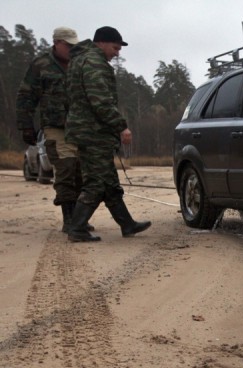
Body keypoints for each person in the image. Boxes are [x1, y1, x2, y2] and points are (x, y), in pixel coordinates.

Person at [65, 26, 150, 242]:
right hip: (93, 133)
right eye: (115, 48)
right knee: (95, 182)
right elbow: (100, 101)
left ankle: (127, 224)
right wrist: (121, 126)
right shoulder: (94, 63)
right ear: (101, 43)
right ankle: (77, 228)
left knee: (109, 182)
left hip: (88, 130)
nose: (117, 53)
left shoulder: (80, 60)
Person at [16, 27, 94, 233]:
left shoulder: (80, 63)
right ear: (57, 43)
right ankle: (69, 220)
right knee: (66, 170)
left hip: (81, 127)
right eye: (68, 45)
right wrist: (25, 125)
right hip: (55, 127)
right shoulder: (40, 65)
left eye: (73, 45)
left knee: (81, 173)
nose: (71, 49)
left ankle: (79, 217)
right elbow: (26, 96)